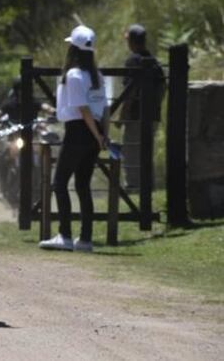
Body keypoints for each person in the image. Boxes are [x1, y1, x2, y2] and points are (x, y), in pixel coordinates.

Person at [39, 25, 108, 253]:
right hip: (94, 131)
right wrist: (102, 134)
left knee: (59, 182)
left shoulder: (74, 74)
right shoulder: (97, 75)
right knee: (82, 185)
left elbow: (83, 108)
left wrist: (97, 134)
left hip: (79, 130)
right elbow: (103, 109)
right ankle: (85, 239)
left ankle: (65, 235)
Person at [119, 24, 165, 189]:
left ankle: (133, 186)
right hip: (152, 116)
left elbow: (129, 93)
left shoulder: (133, 61)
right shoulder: (154, 62)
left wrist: (122, 116)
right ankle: (147, 184)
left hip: (135, 115)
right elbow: (162, 89)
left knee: (130, 151)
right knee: (146, 151)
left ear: (132, 41)